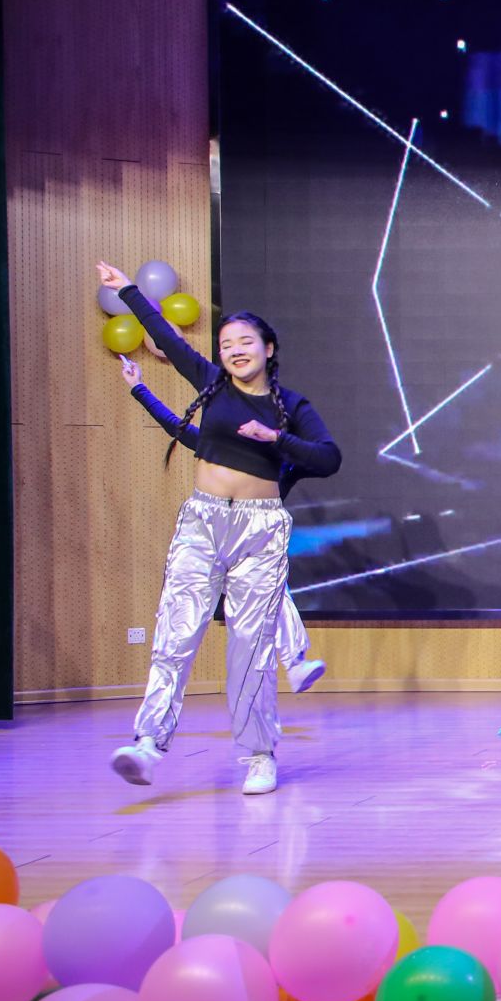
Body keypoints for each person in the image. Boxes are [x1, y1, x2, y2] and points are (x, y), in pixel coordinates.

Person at [100, 263, 341, 795]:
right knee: (175, 633)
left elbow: (329, 457)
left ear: (268, 349)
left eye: (245, 341)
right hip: (203, 521)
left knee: (251, 649)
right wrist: (128, 291)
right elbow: (166, 337)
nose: (234, 350)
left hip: (261, 530)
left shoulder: (291, 406)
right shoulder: (211, 385)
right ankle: (147, 745)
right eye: (226, 343)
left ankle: (258, 756)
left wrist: (275, 438)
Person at [119, 355, 328, 695]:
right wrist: (138, 386)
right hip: (211, 541)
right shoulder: (217, 447)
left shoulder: (287, 463)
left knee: (277, 590)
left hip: (253, 544)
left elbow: (321, 456)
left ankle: (294, 663)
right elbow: (174, 425)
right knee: (184, 619)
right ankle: (164, 697)